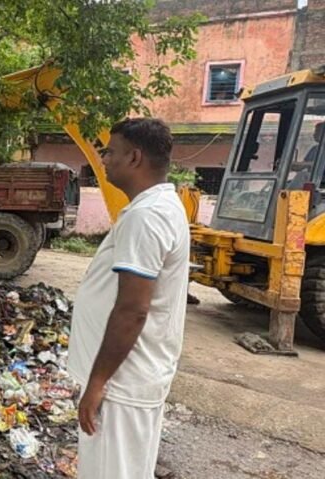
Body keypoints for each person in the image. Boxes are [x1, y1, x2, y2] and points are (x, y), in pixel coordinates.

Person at [67, 118, 190, 479]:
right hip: (131, 378)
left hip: (121, 384)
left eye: (110, 151)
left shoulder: (147, 217)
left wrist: (98, 382)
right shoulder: (158, 207)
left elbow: (132, 310)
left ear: (134, 157)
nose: (104, 158)